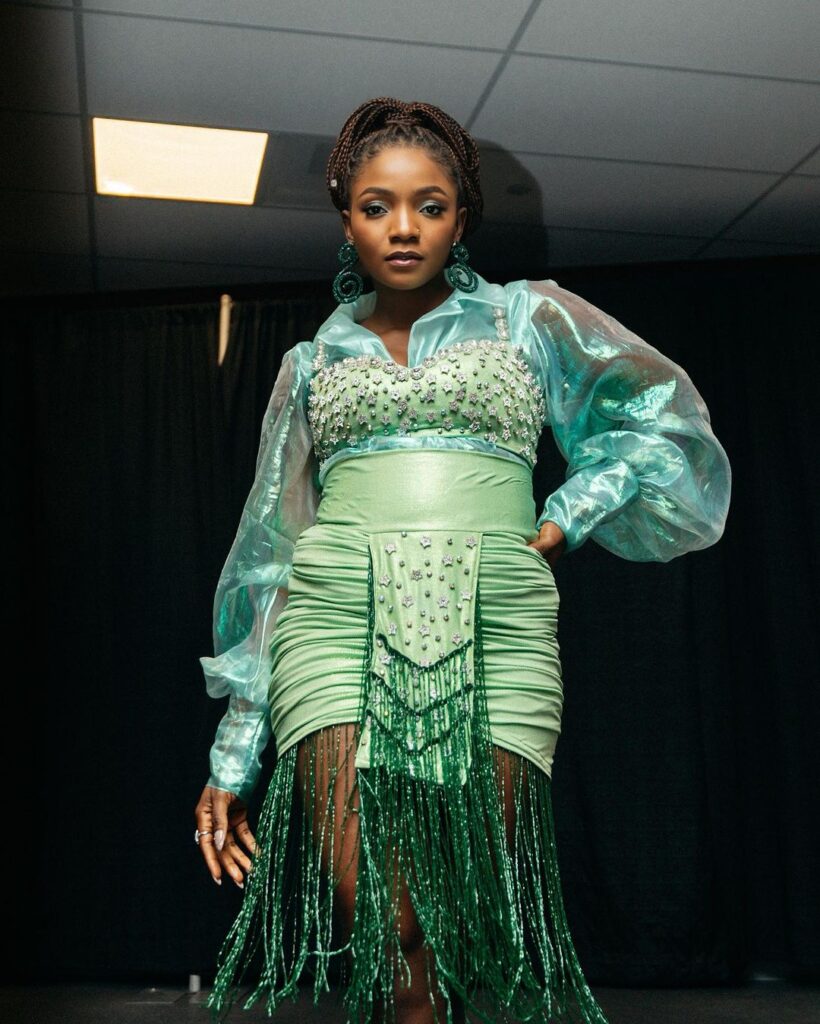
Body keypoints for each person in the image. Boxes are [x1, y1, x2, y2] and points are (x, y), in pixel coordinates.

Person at [193, 97, 731, 1024]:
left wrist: (566, 517)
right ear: (347, 220)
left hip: (496, 622)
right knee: (386, 920)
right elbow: (269, 553)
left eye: (429, 205)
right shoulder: (311, 364)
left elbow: (663, 426)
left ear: (461, 217)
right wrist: (234, 755)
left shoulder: (530, 319)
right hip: (336, 619)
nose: (403, 227)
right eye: (377, 206)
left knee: (443, 921)